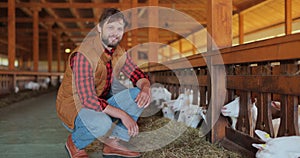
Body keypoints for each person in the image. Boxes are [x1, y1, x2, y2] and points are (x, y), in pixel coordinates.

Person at [56, 8, 151, 158]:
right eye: (110, 27)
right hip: (76, 106)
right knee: (102, 123)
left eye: (119, 28)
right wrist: (124, 115)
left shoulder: (118, 52)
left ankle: (112, 142)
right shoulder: (83, 55)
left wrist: (146, 88)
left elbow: (137, 74)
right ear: (99, 28)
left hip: (100, 101)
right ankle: (75, 143)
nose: (115, 32)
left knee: (138, 95)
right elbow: (88, 100)